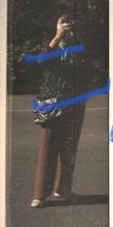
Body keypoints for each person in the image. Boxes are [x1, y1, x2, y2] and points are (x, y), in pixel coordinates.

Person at [31, 11, 85, 208]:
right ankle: (39, 195)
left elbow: (85, 70)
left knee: (69, 147)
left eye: (71, 22)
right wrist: (57, 37)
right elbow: (39, 61)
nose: (67, 25)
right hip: (53, 102)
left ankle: (63, 189)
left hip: (75, 101)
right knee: (48, 147)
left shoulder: (79, 46)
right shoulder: (49, 44)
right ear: (56, 25)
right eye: (63, 22)